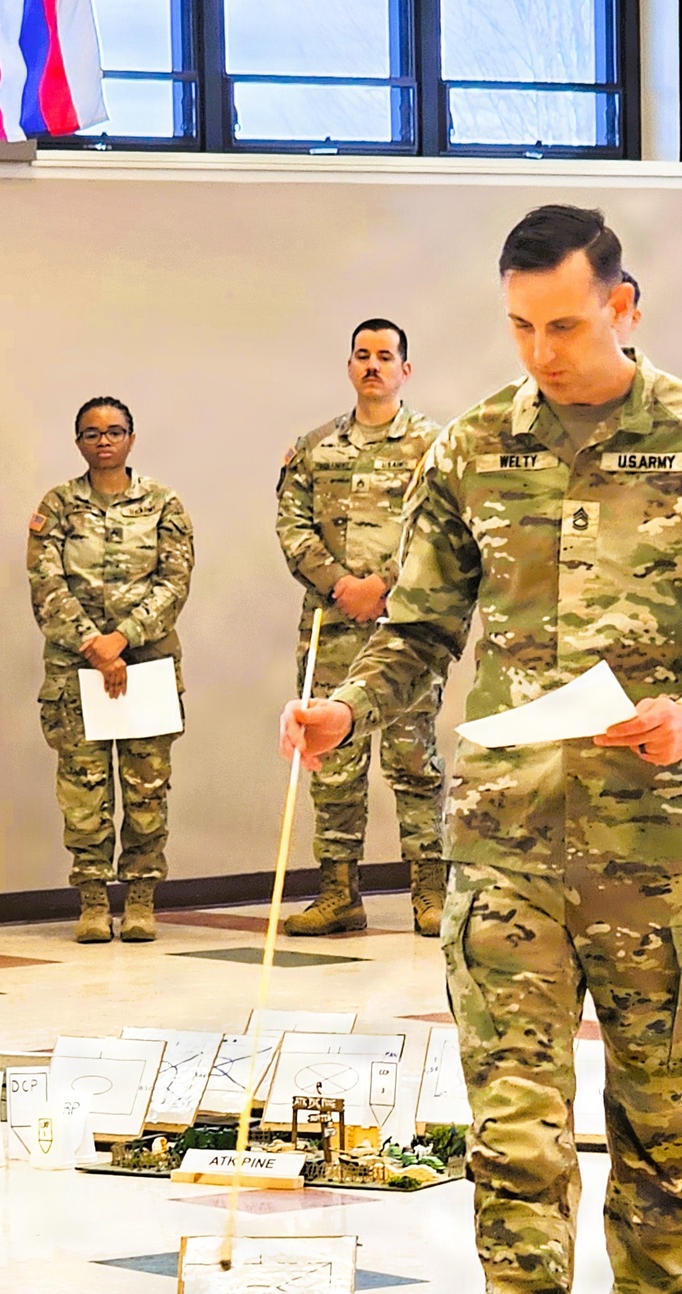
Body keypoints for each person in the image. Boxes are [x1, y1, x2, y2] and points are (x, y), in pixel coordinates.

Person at [280, 204, 682, 1294]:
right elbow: (416, 627)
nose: (542, 351)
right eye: (521, 325)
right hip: (508, 845)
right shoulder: (472, 445)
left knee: (661, 1117)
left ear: (625, 306)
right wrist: (350, 703)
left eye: (566, 325)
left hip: (658, 855)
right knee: (513, 1122)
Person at [276, 320, 446, 937]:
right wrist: (340, 585)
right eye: (362, 355)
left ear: (406, 368)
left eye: (385, 356)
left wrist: (385, 586)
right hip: (332, 625)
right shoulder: (316, 448)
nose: (372, 365)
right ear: (349, 366)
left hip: (407, 626)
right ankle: (338, 893)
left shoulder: (435, 446)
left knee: (413, 760)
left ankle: (429, 891)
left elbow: (441, 530)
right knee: (333, 760)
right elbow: (291, 526)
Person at [27, 398, 195, 943]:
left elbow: (175, 582)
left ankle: (141, 899)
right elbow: (46, 586)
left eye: (115, 431)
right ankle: (94, 901)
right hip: (77, 672)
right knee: (84, 792)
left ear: (131, 438)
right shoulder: (56, 507)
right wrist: (94, 647)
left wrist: (122, 640)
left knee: (147, 791)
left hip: (145, 666)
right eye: (92, 433)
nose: (104, 441)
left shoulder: (164, 503)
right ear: (78, 443)